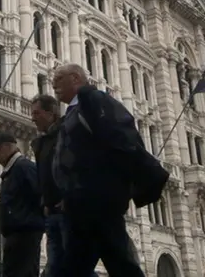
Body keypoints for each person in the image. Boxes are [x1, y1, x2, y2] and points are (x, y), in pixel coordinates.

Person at [51, 64, 147, 277]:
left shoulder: (95, 101)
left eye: (58, 79)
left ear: (75, 78)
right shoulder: (74, 111)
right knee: (77, 267)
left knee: (119, 262)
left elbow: (122, 144)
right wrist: (68, 193)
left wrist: (111, 189)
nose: (53, 84)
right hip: (80, 203)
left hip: (98, 201)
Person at [30, 94, 98, 277]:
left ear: (50, 113)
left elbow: (77, 166)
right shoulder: (40, 143)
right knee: (57, 266)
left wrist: (69, 197)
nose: (32, 117)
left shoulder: (66, 132)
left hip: (68, 211)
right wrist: (45, 202)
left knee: (75, 266)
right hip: (52, 212)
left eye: (36, 113)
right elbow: (43, 175)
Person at [0, 132, 44, 277]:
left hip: (25, 234)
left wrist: (32, 221)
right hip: (16, 235)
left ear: (8, 147)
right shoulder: (12, 171)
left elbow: (42, 194)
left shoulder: (23, 167)